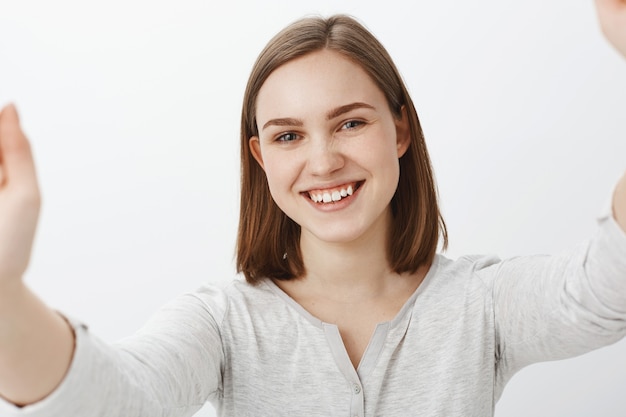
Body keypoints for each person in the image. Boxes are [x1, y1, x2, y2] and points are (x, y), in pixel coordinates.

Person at [0, 1, 625, 416]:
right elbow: (117, 399)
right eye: (288, 135)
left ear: (400, 131)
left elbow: (603, 290)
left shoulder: (481, 304)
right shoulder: (223, 323)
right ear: (260, 156)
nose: (323, 162)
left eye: (349, 123)